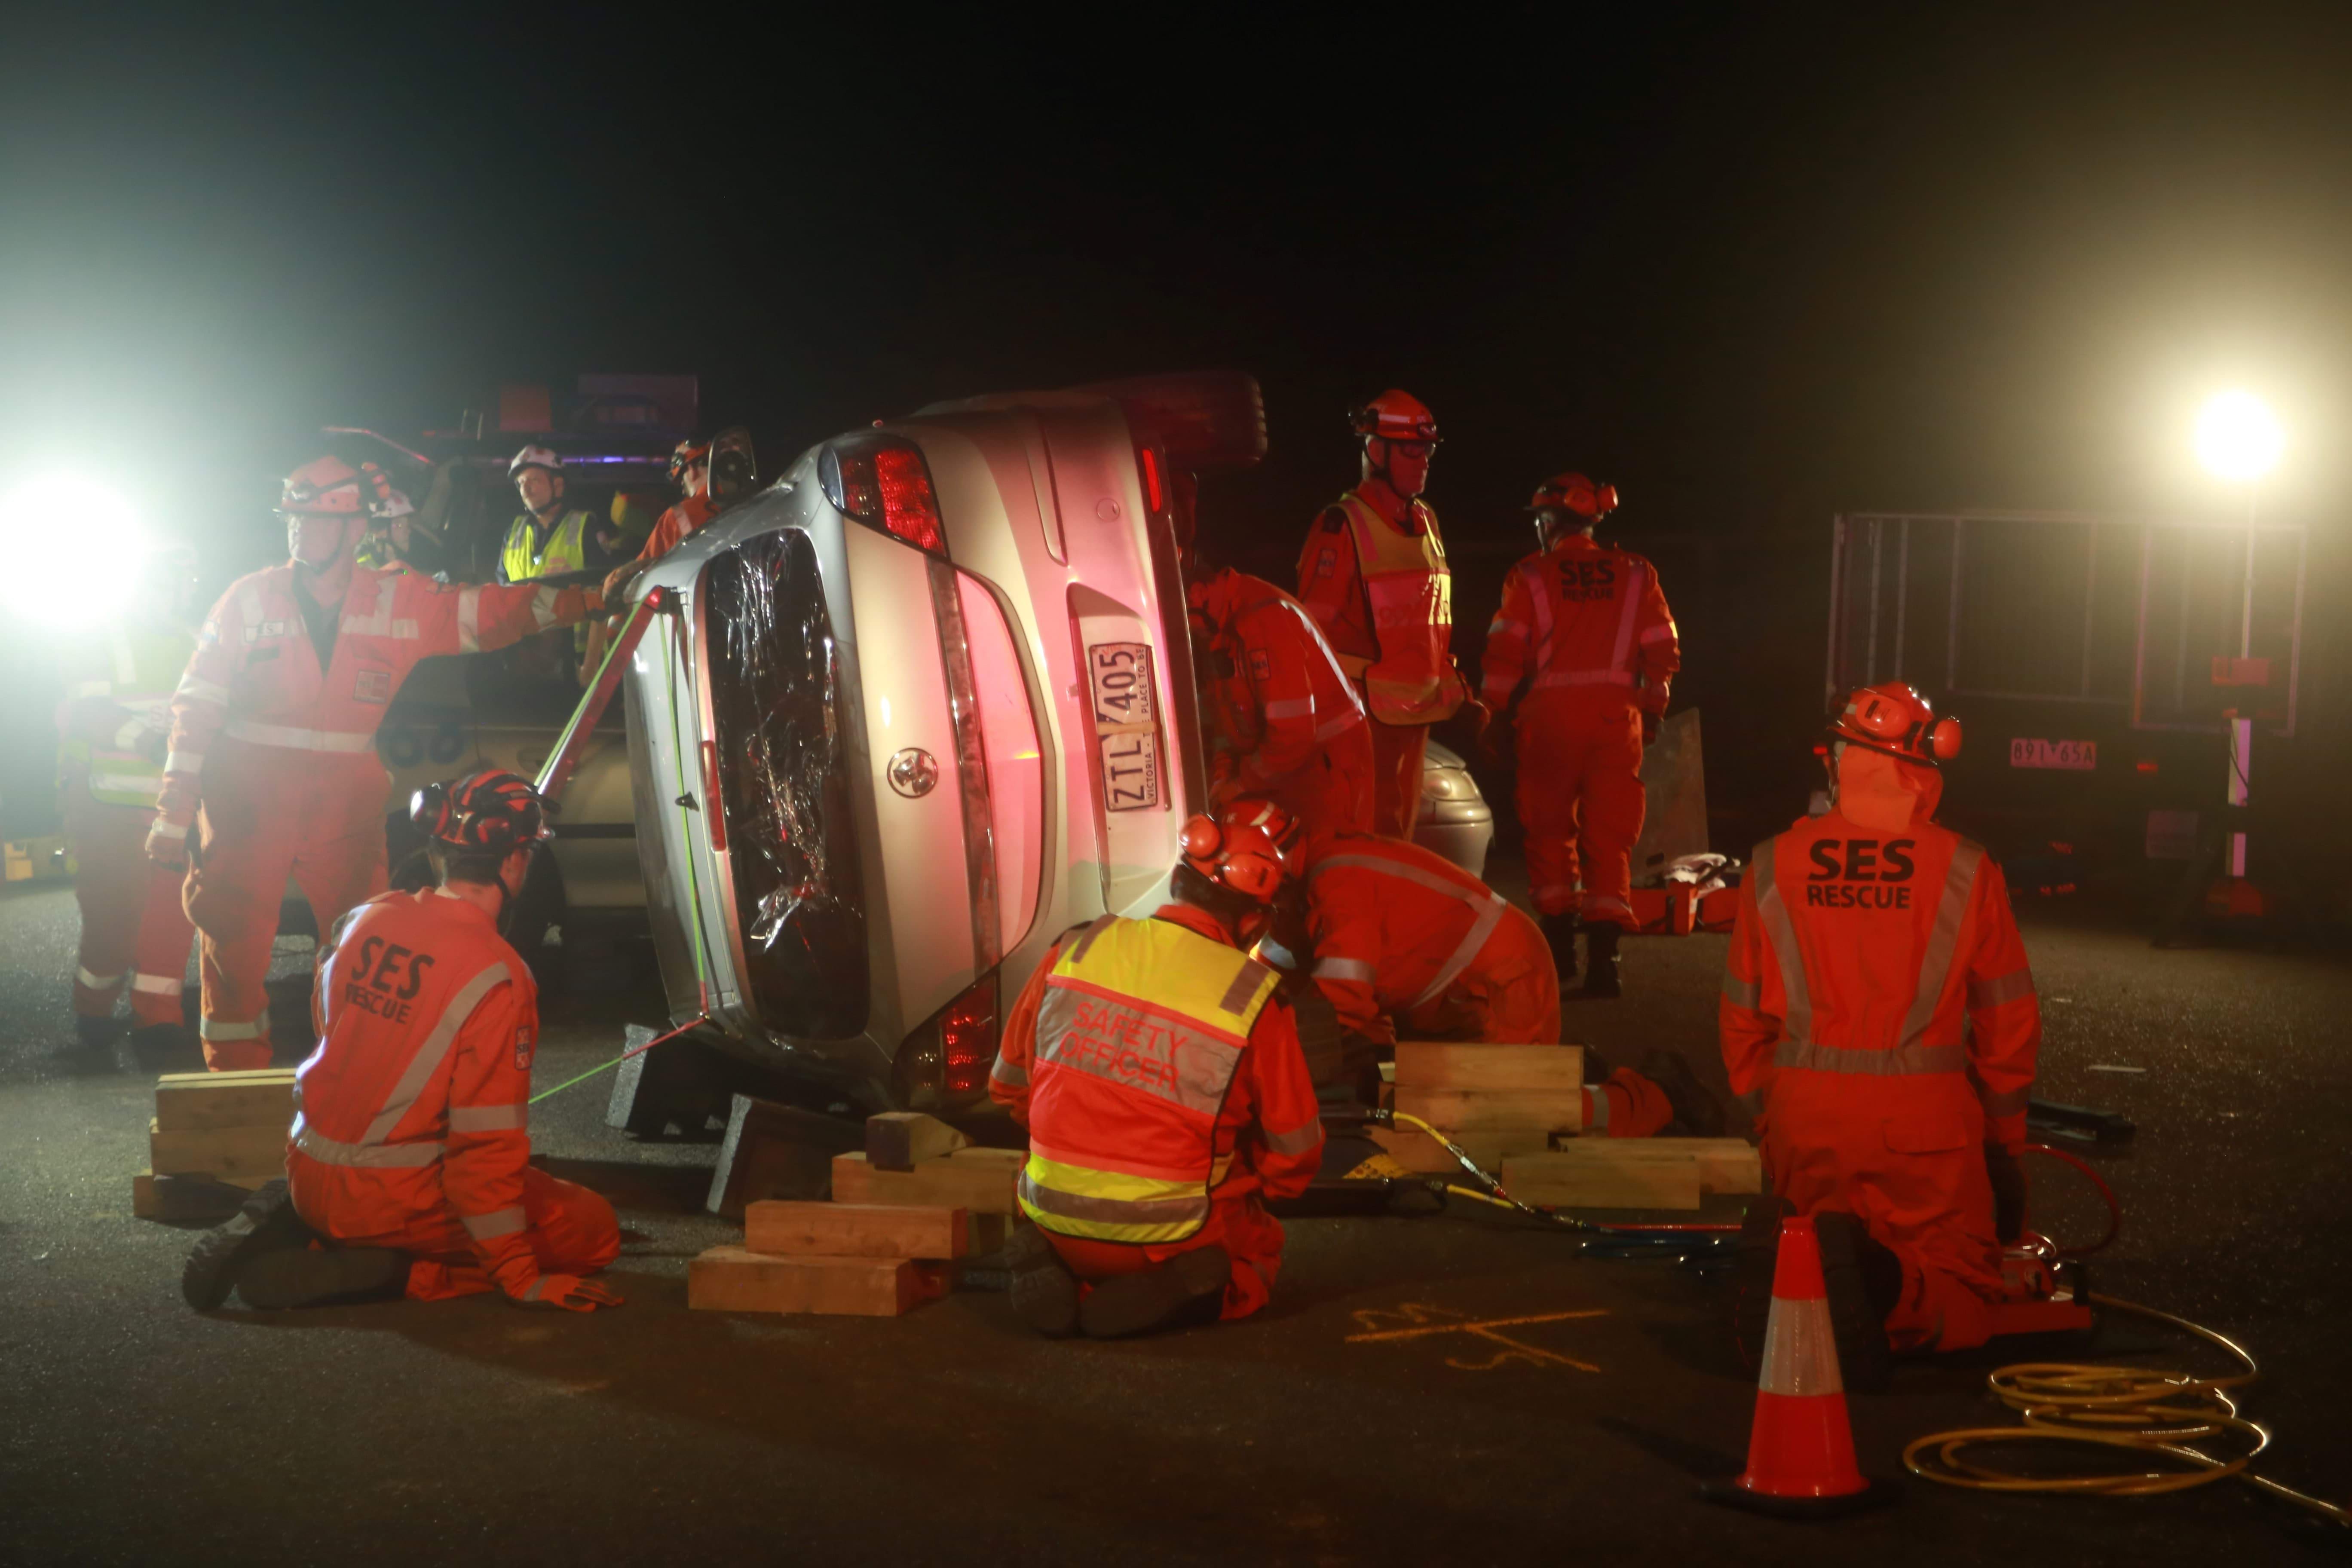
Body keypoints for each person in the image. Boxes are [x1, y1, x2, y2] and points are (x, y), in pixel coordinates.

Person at [144, 456, 603, 1069]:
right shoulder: (247, 599)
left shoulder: (399, 600)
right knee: (233, 943)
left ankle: (351, 1085)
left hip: (344, 807)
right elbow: (195, 704)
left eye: (317, 518)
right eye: (295, 517)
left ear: (356, 527)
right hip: (245, 805)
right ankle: (235, 1096)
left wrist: (592, 597)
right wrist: (174, 808)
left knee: (359, 948)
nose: (300, 530)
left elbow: (491, 610)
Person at [181, 770, 624, 1313]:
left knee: (527, 1194)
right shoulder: (498, 975)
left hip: (305, 1165)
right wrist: (519, 1276)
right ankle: (393, 1271)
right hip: (387, 1199)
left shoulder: (364, 919)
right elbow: (483, 1152)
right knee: (592, 1230)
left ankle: (302, 1217)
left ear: (437, 851)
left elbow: (336, 1039)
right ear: (516, 861)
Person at [1718, 682, 2040, 1382]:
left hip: (1805, 1114)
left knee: (1814, 1266)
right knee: (1962, 1295)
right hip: (1924, 1125)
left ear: (1840, 761)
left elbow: (1742, 1010)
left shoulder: (1772, 861)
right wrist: (2003, 1142)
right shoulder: (1964, 866)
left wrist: (1764, 1118)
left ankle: (1797, 1275)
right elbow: (2005, 1014)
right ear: (1922, 768)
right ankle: (1879, 1285)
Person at [988, 797, 1326, 1338]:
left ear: (1177, 881)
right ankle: (1182, 1294)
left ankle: (1060, 1267)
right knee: (1256, 1253)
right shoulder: (1254, 996)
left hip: (1052, 1212)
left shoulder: (1078, 946)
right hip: (1171, 1237)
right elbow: (1295, 1156)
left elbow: (1006, 1087)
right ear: (1253, 921)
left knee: (1047, 1170)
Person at [1291, 830, 1715, 1137]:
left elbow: (1340, 999)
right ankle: (1576, 1072)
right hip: (1473, 984)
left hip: (1505, 979)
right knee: (1442, 1107)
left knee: (1511, 1121)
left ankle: (1656, 1096)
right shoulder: (1329, 866)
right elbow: (1370, 988)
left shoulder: (1337, 887)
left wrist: (1290, 1063)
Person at [1478, 473, 1679, 999]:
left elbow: (1505, 654)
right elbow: (1661, 650)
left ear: (1550, 523)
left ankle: (1561, 952)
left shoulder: (1530, 575)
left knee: (1549, 833)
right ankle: (1605, 962)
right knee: (1610, 839)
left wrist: (1491, 714)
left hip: (1550, 722)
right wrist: (1653, 710)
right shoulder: (1637, 573)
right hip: (1618, 719)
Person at [1294, 391, 1480, 837]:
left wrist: (1460, 689)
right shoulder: (1340, 527)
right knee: (1362, 834)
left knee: (1399, 834)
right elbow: (1310, 634)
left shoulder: (1427, 521)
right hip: (1361, 716)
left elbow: (1430, 618)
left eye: (1428, 450)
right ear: (1376, 451)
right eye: (1412, 450)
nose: (1424, 461)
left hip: (1413, 715)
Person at [53, 541, 201, 1054]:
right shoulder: (99, 635)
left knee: (170, 917)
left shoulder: (195, 640)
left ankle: (157, 1022)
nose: (178, 596)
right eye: (168, 584)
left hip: (170, 803)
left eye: (186, 585)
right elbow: (86, 714)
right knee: (113, 918)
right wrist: (153, 742)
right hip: (105, 806)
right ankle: (93, 1013)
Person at [1184, 494, 1375, 839]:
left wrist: (1240, 784)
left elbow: (1293, 733)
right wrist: (1222, 780)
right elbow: (1231, 723)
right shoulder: (1226, 627)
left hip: (1327, 773)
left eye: (1182, 619)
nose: (1187, 633)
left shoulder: (1265, 620)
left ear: (1198, 594)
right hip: (1295, 773)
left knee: (1326, 872)